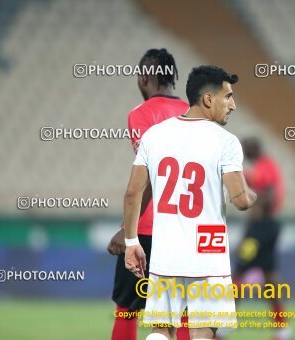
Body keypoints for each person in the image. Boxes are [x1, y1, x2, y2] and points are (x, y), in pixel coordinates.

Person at [123, 65, 257, 340]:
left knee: (161, 331)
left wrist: (131, 242)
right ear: (208, 99)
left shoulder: (155, 135)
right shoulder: (226, 142)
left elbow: (133, 193)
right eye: (228, 96)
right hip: (208, 250)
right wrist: (252, 193)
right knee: (203, 332)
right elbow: (241, 200)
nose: (233, 104)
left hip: (165, 250)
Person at [107, 48, 189, 340]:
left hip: (146, 228)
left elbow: (151, 174)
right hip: (185, 229)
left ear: (144, 78)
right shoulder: (195, 114)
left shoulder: (141, 114)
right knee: (184, 312)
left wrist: (125, 232)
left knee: (127, 308)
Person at [232, 137, 291, 340]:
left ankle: (223, 328)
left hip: (261, 229)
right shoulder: (263, 167)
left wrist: (251, 222)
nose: (244, 152)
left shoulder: (265, 167)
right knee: (270, 278)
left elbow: (268, 195)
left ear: (254, 149)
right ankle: (282, 329)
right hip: (268, 227)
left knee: (238, 273)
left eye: (246, 148)